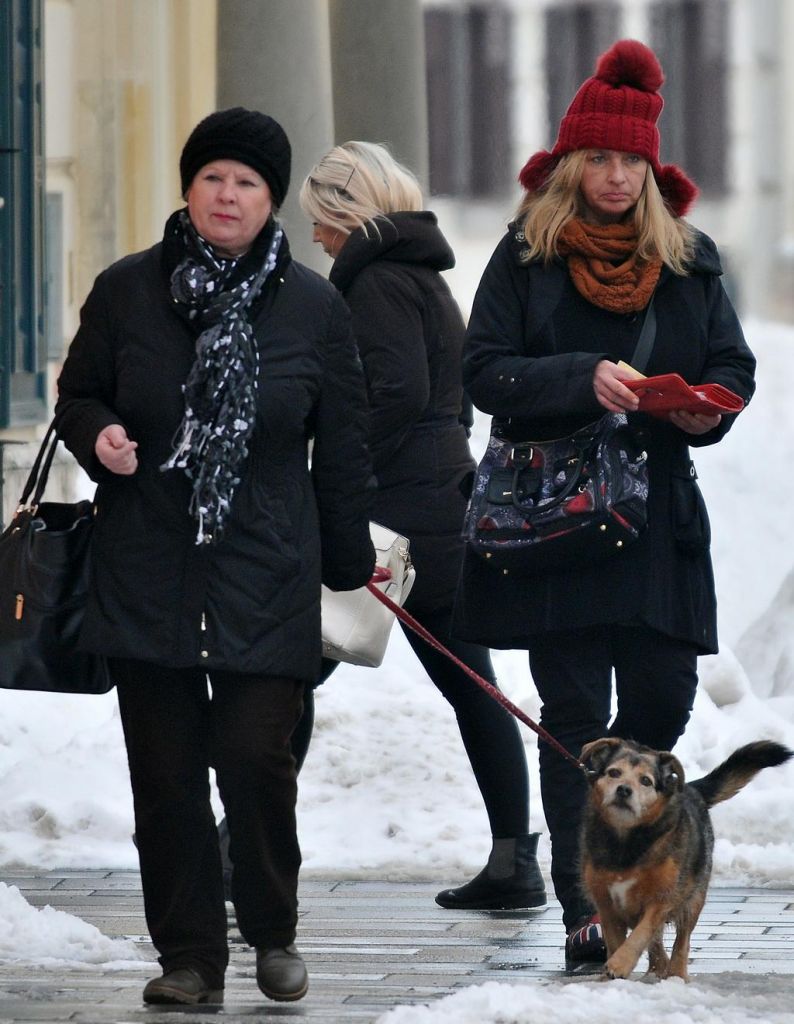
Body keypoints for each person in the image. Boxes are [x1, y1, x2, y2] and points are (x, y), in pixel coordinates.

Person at [54, 107, 376, 1006]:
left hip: (266, 568)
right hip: (147, 564)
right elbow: (76, 395)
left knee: (253, 760)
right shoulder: (127, 291)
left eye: (246, 182)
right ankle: (190, 958)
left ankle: (272, 929)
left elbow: (343, 443)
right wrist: (99, 435)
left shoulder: (313, 306)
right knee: (165, 781)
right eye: (212, 178)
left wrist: (346, 559)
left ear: (271, 200)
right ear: (188, 188)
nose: (226, 195)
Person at [451, 39, 756, 969]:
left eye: (631, 160)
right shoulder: (526, 255)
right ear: (570, 165)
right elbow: (483, 371)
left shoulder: (690, 261)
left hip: (658, 518)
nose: (616, 176)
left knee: (660, 699)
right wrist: (581, 377)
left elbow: (732, 365)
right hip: (559, 522)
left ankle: (638, 873)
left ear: (652, 171)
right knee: (575, 714)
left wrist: (706, 412)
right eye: (599, 158)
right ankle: (588, 906)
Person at [296, 140, 546, 912]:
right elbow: (449, 396)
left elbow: (394, 393)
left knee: (288, 674)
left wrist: (339, 473)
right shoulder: (423, 278)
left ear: (347, 211)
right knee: (470, 683)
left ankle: (240, 842)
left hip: (391, 517)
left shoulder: (374, 283)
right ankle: (513, 860)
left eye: (321, 219)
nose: (316, 236)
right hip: (439, 503)